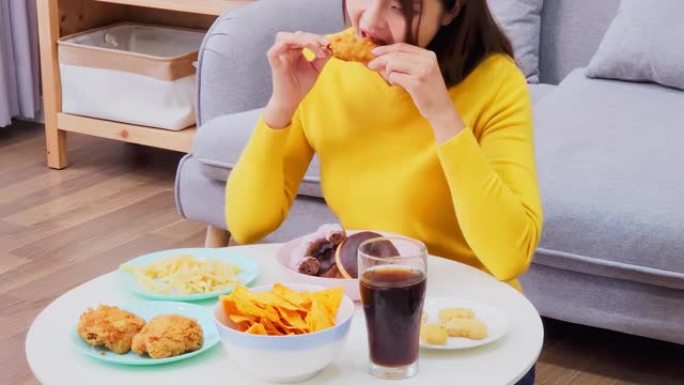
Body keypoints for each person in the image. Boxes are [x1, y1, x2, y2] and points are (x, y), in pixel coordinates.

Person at [226, 1, 541, 380]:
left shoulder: (497, 81)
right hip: (371, 320)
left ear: (452, 9)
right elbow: (246, 223)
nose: (370, 21)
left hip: (475, 328)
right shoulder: (325, 69)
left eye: (397, 6)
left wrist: (442, 114)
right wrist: (281, 106)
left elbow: (509, 256)